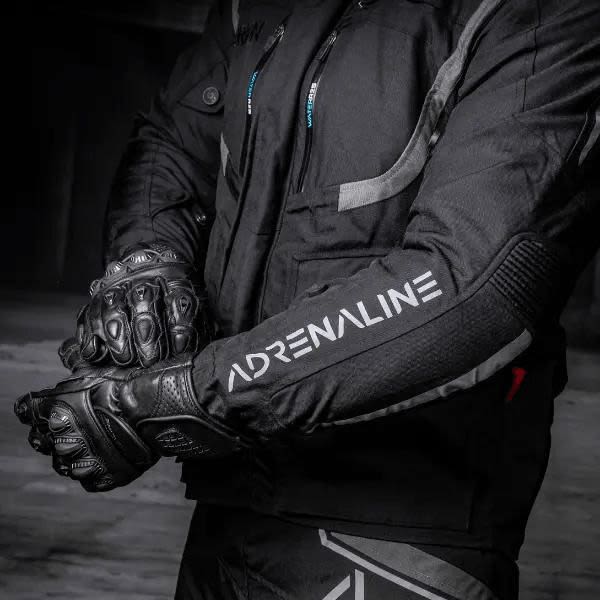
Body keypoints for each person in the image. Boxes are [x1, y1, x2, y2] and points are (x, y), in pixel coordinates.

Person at [15, 0, 599, 598]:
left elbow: (472, 282)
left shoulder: (539, 13)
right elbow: (173, 140)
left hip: (401, 534)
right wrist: (147, 263)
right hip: (232, 504)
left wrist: (190, 397)